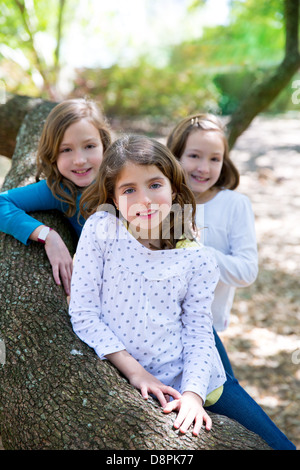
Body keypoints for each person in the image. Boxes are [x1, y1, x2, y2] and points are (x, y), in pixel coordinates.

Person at [69, 134, 295, 450]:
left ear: (174, 188)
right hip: (137, 377)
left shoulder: (198, 257)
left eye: (154, 185)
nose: (144, 199)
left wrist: (192, 394)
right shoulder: (101, 231)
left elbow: (200, 333)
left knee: (277, 446)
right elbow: (83, 313)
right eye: (129, 189)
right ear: (113, 197)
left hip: (200, 378)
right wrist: (137, 374)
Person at [167, 114, 258, 376]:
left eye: (214, 158)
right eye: (194, 156)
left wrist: (195, 250)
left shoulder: (234, 205)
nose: (204, 168)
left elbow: (246, 271)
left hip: (207, 330)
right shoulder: (158, 201)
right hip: (157, 328)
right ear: (175, 155)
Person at [0, 98, 111, 295]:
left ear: (103, 144)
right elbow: (2, 202)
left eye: (89, 146)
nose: (79, 160)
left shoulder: (126, 177)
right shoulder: (60, 190)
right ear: (53, 155)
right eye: (66, 150)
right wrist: (47, 235)